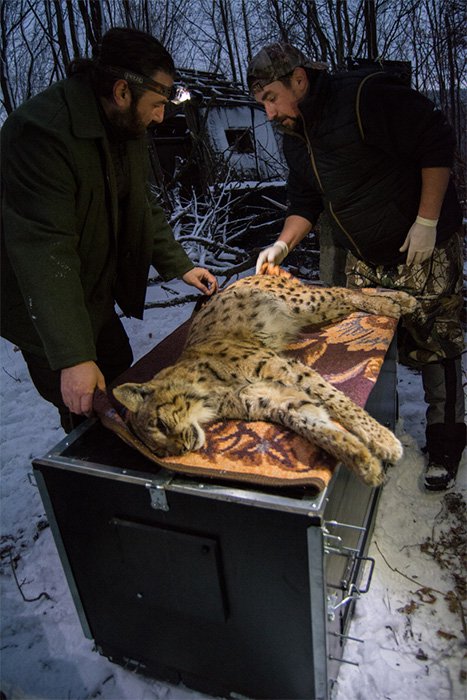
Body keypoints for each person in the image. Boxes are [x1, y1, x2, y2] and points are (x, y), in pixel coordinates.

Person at [247, 42, 465, 491]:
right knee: (356, 342)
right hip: (362, 257)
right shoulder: (294, 136)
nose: (268, 113)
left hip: (420, 248)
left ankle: (446, 442)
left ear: (299, 79)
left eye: (270, 97)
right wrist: (282, 246)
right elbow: (305, 201)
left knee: (435, 341)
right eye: (261, 104)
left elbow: (436, 137)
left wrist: (426, 221)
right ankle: (368, 429)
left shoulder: (364, 95)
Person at [1, 27, 218, 433]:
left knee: (121, 379)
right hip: (46, 309)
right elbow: (46, 250)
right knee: (87, 408)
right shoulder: (41, 133)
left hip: (92, 293)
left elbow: (139, 202)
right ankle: (97, 485)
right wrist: (72, 356)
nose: (160, 115)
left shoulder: (122, 126)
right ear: (122, 91)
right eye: (156, 104)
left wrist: (180, 266)